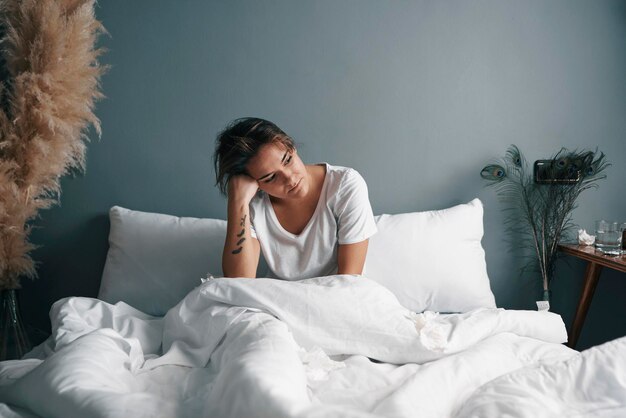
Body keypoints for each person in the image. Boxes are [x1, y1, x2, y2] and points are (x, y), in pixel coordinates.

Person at [213, 117, 377, 280]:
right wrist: (237, 201)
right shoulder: (254, 204)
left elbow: (349, 280)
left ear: (291, 146)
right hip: (279, 300)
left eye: (287, 160)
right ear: (254, 183)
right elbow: (239, 280)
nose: (290, 179)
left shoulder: (344, 186)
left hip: (335, 297)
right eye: (270, 178)